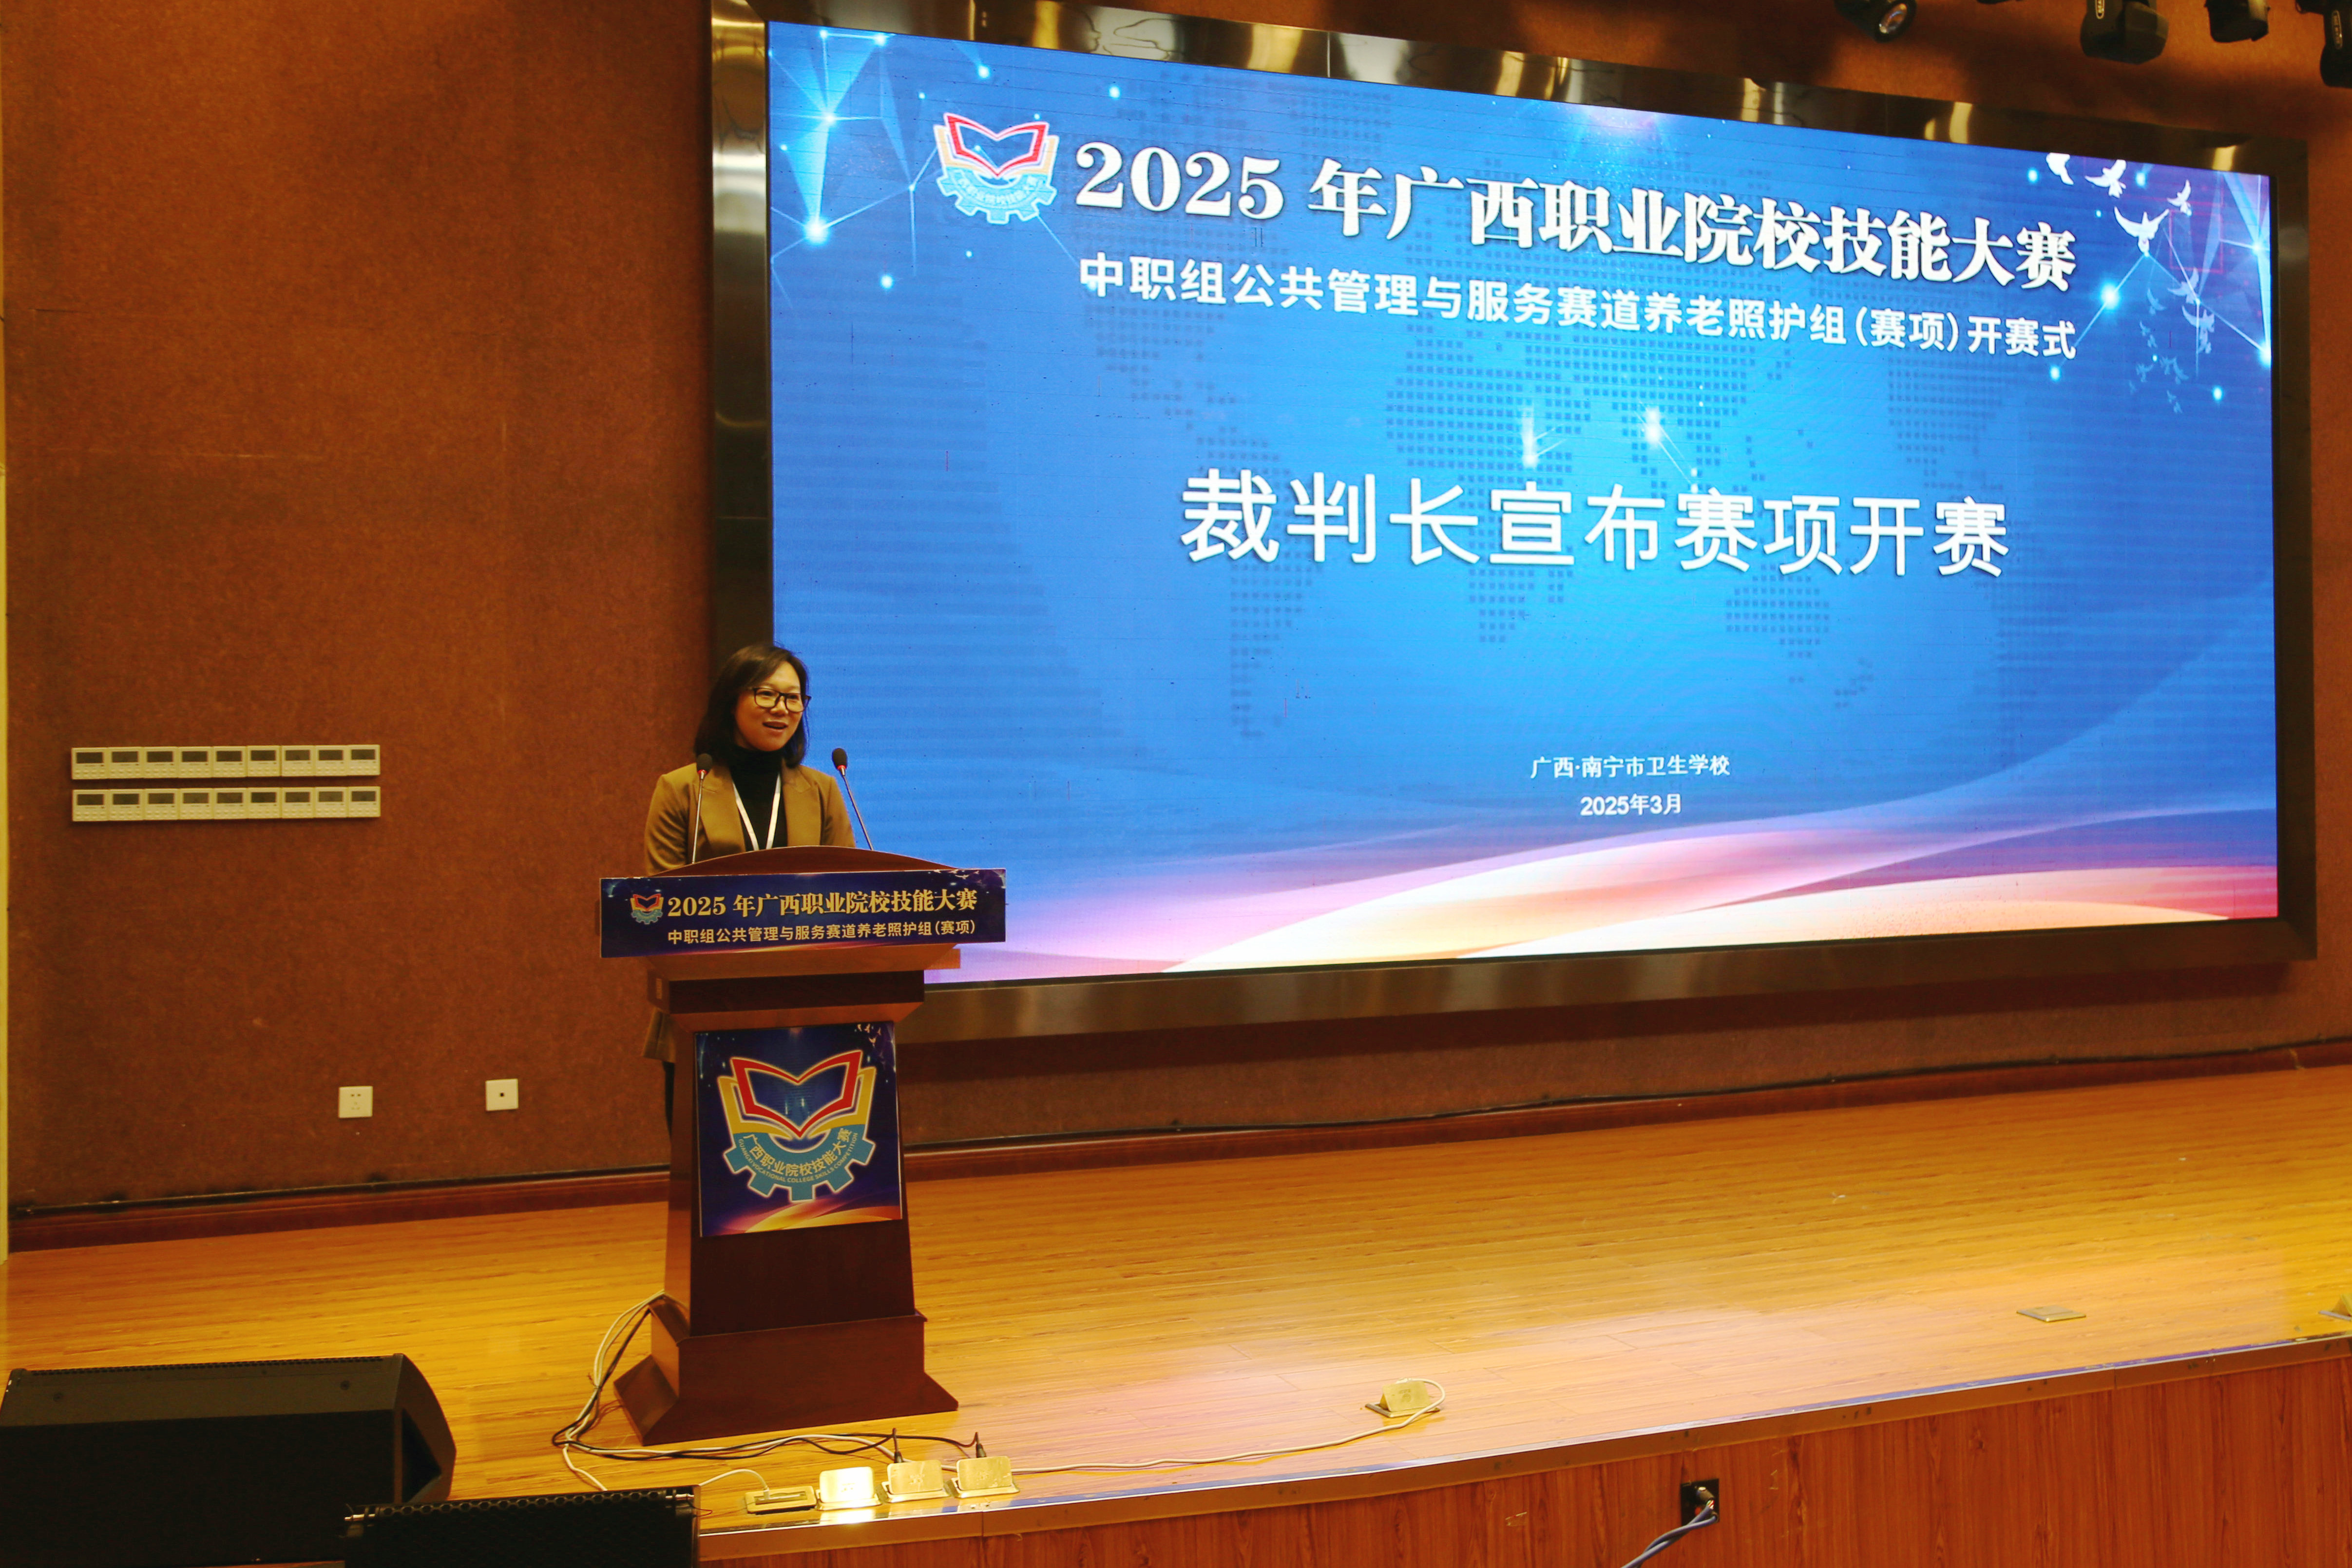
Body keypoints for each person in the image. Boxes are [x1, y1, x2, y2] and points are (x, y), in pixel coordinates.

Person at [643, 644, 856, 1118]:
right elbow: (660, 903)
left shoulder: (822, 790)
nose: (782, 709)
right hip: (708, 1002)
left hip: (807, 1008)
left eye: (793, 698)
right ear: (731, 700)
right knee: (710, 1152)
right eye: (766, 694)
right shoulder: (684, 789)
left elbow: (847, 895)